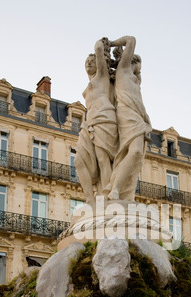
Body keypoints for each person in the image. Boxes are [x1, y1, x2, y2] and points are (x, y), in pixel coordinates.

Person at [103, 36, 152, 201]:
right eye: (139, 66)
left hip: (138, 117)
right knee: (135, 151)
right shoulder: (123, 70)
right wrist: (111, 44)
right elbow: (131, 39)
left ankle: (122, 190)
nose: (140, 70)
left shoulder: (135, 82)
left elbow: (141, 104)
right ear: (132, 62)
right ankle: (115, 188)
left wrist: (147, 122)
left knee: (136, 155)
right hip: (126, 115)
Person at [74, 39, 118, 203]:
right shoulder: (92, 81)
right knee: (79, 161)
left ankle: (106, 198)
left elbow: (99, 47)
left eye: (92, 61)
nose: (88, 63)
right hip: (89, 122)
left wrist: (108, 44)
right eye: (86, 61)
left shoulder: (102, 76)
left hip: (104, 117)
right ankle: (89, 200)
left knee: (103, 159)